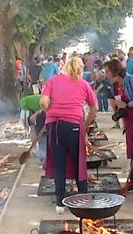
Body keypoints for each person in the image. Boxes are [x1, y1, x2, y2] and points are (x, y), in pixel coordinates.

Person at [40, 57, 98, 214]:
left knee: (59, 165)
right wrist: (84, 127)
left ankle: (60, 204)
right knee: (79, 162)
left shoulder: (52, 81)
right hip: (74, 125)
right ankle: (84, 200)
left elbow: (43, 102)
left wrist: (51, 113)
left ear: (65, 67)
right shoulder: (84, 84)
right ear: (80, 69)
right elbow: (94, 108)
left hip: (54, 125)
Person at [104, 59, 133, 188]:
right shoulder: (116, 86)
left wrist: (127, 104)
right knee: (132, 150)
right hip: (128, 121)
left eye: (107, 71)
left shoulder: (132, 80)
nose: (106, 74)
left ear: (115, 71)